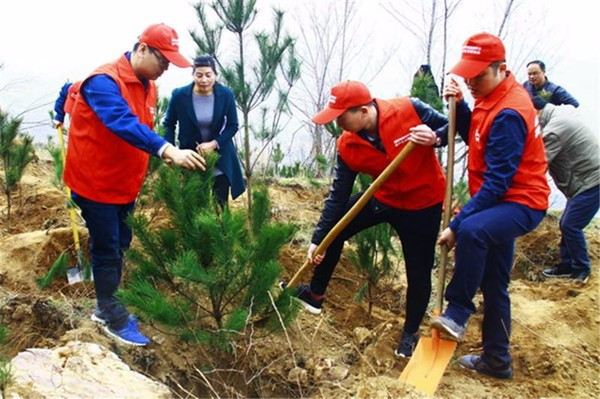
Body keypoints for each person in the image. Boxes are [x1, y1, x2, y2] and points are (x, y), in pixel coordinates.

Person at [283, 80, 451, 358]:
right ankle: (315, 294)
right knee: (335, 230)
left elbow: (454, 127)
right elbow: (338, 197)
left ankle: (409, 334)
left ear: (363, 111)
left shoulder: (410, 109)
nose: (337, 124)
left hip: (423, 205)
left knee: (418, 271)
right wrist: (318, 240)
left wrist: (436, 137)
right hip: (383, 199)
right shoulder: (347, 145)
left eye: (341, 117)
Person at [63, 23, 206, 346]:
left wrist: (168, 154)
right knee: (107, 245)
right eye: (163, 60)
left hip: (124, 184)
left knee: (122, 242)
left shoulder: (148, 85)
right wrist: (166, 149)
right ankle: (108, 313)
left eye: (171, 63)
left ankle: (112, 300)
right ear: (142, 49)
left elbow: (146, 130)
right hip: (95, 183)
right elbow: (121, 122)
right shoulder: (104, 81)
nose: (166, 69)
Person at [432, 32, 550, 379]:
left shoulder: (511, 111)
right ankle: (497, 361)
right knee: (496, 282)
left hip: (521, 201)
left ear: (501, 69)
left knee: (471, 230)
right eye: (466, 75)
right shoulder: (490, 94)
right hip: (500, 200)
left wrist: (457, 222)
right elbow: (477, 137)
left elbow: (499, 183)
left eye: (478, 75)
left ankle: (457, 312)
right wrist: (461, 106)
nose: (470, 81)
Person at [531, 97, 599, 283]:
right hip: (585, 180)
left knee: (570, 224)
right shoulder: (559, 115)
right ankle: (568, 265)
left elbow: (538, 163)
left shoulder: (555, 130)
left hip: (591, 181)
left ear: (536, 112)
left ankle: (581, 270)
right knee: (567, 223)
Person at [163, 55, 245, 206]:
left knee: (220, 208)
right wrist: (170, 151)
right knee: (195, 207)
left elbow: (232, 125)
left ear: (215, 75)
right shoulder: (180, 96)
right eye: (199, 75)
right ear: (193, 74)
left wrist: (214, 144)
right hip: (192, 158)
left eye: (208, 75)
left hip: (219, 158)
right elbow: (169, 124)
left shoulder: (225, 95)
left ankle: (222, 230)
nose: (204, 80)